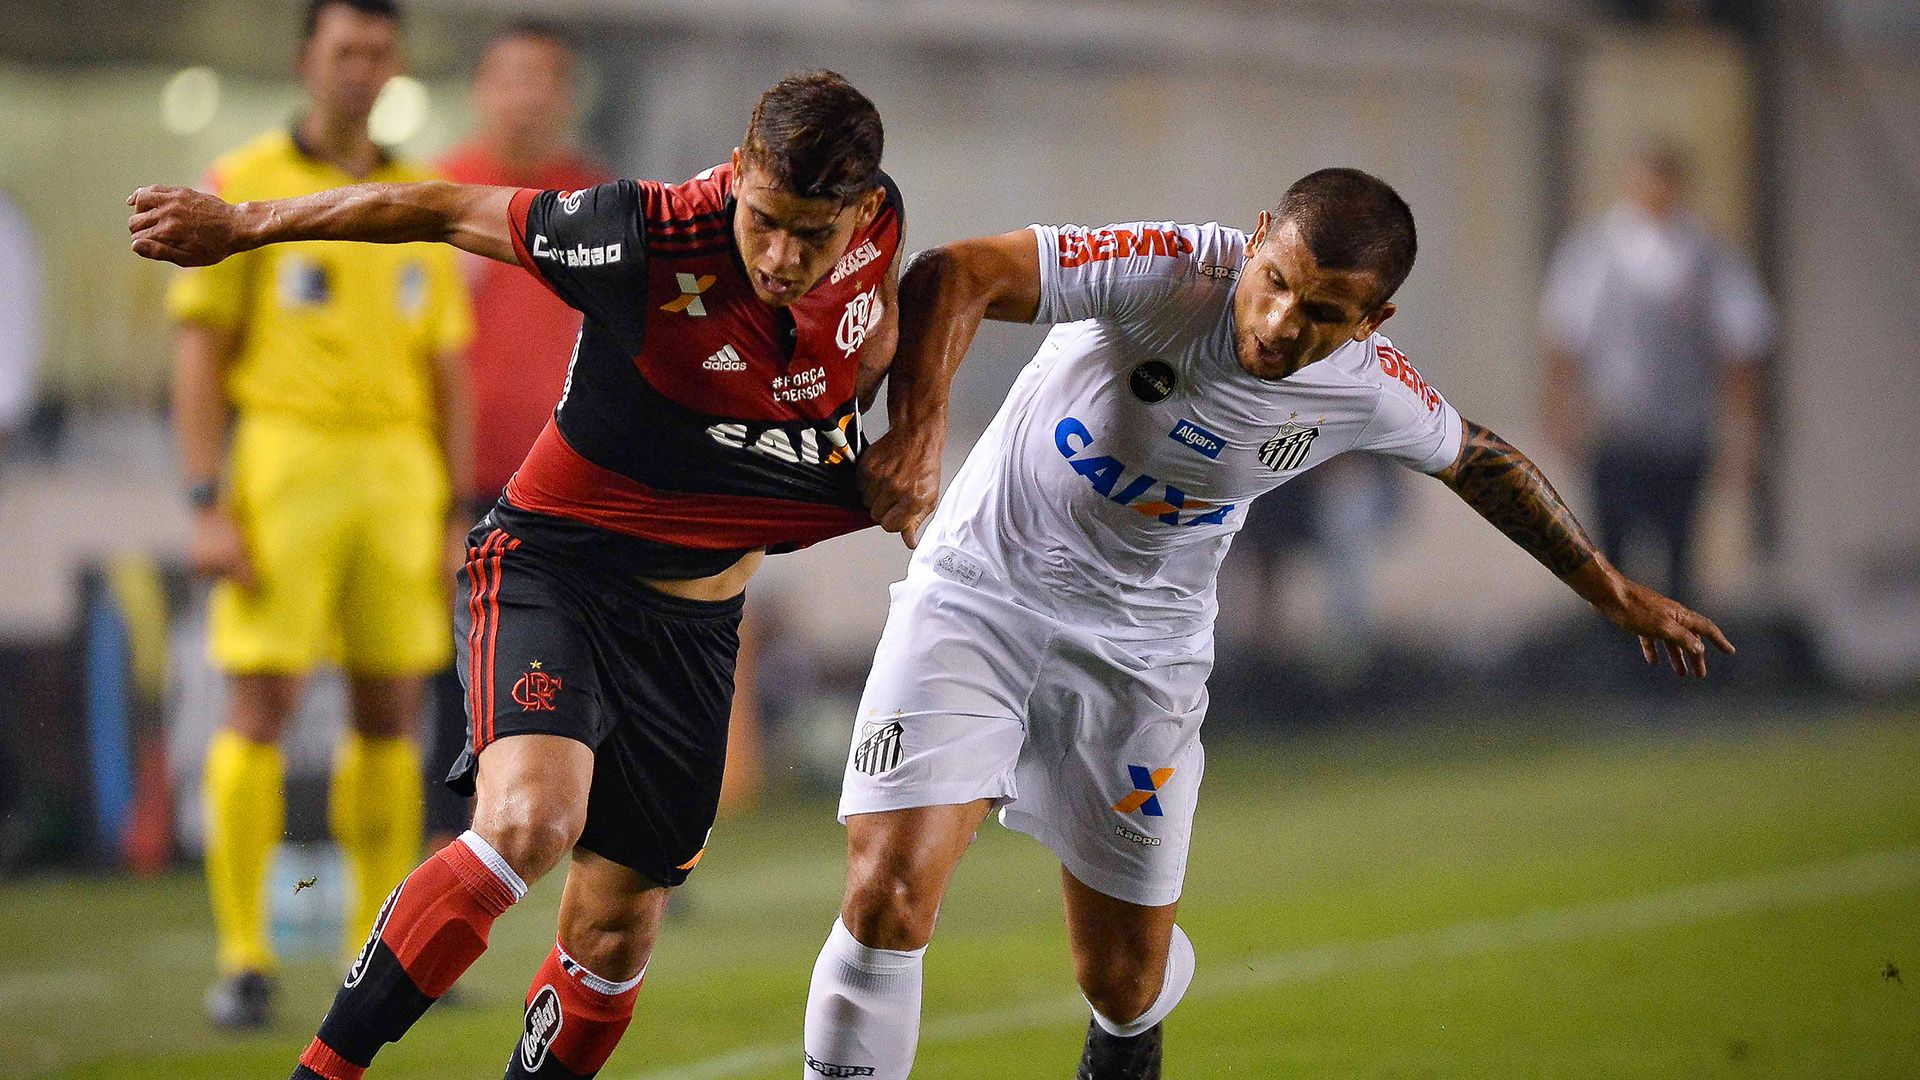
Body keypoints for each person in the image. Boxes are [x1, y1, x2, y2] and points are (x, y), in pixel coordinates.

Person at [800, 169, 1734, 1080]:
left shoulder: (1372, 387)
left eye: (1326, 313)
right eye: (1276, 282)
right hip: (979, 594)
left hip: (1146, 658)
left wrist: (1607, 586)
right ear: (1255, 241)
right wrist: (919, 438)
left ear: (1374, 323)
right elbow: (953, 272)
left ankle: (1132, 1026)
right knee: (888, 895)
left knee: (1122, 981)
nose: (1283, 321)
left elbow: (1481, 460)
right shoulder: (1170, 270)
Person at [131, 69, 941, 1080]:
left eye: (810, 236)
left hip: (696, 625)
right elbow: (429, 207)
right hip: (560, 568)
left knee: (613, 932)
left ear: (863, 212)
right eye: (764, 220)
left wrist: (915, 426)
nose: (780, 257)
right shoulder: (638, 235)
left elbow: (923, 312)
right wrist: (245, 225)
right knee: (528, 820)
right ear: (738, 172)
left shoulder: (882, 231)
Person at [164, 0, 473, 1031]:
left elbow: (448, 366)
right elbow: (200, 351)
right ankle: (244, 955)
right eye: (345, 50)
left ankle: (372, 949)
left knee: (389, 711)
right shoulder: (245, 183)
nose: (361, 68)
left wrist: (453, 509)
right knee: (263, 702)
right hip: (286, 458)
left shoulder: (419, 193)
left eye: (380, 51)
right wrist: (208, 500)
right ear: (308, 60)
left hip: (397, 469)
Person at [425, 20, 611, 848]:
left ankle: (619, 848)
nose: (528, 98)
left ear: (567, 97)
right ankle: (444, 860)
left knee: (604, 665)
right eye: (512, 78)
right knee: (453, 682)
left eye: (545, 79)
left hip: (584, 483)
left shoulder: (603, 208)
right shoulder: (435, 197)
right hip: (465, 485)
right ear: (482, 89)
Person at [1540, 142, 1774, 605]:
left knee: (1680, 551)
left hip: (1683, 430)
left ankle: (1672, 660)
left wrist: (1742, 432)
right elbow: (1564, 342)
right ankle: (1617, 661)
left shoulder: (1710, 257)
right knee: (1610, 557)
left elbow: (1742, 348)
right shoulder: (1595, 253)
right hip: (1616, 429)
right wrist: (1562, 419)